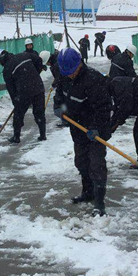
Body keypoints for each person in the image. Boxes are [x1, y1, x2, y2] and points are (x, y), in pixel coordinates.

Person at [53, 48, 112, 216]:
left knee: (96, 164)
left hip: (95, 130)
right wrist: (59, 108)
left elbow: (104, 107)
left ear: (79, 64)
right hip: (78, 127)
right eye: (67, 73)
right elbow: (59, 95)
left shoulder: (94, 79)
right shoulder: (64, 77)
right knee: (81, 161)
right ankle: (88, 192)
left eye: (72, 71)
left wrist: (96, 127)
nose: (70, 75)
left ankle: (99, 202)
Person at [0, 48, 46, 142]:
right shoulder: (24, 55)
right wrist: (36, 73)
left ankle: (16, 137)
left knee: (18, 114)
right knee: (39, 113)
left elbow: (11, 89)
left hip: (24, 92)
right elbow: (39, 60)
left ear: (1, 60)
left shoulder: (7, 70)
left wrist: (16, 102)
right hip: (38, 87)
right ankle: (43, 135)